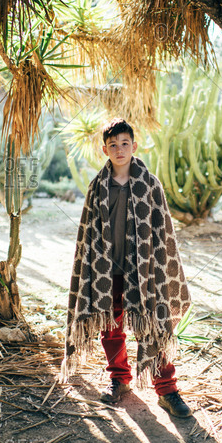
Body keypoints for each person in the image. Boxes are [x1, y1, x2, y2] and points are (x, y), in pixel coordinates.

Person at [62, 118, 192, 418]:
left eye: (124, 143)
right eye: (112, 145)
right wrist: (94, 267)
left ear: (134, 146)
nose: (119, 149)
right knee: (111, 326)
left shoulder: (149, 184)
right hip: (108, 269)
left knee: (155, 324)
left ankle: (167, 389)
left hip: (144, 269)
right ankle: (119, 379)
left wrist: (160, 269)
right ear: (104, 150)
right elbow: (88, 232)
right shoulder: (97, 187)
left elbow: (164, 232)